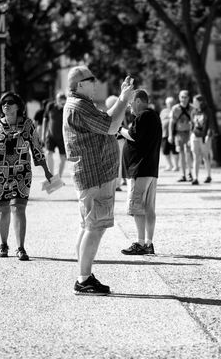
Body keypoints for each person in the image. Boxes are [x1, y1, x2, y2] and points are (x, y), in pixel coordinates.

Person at [63, 65, 135, 295]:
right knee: (95, 227)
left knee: (89, 226)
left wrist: (121, 101)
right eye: (91, 79)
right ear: (80, 84)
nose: (96, 82)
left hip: (93, 175)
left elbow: (106, 122)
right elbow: (111, 125)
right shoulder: (78, 106)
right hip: (95, 175)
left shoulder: (80, 105)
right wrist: (124, 99)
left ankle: (84, 275)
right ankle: (83, 280)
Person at [0, 92, 52, 261]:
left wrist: (46, 170)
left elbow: (36, 147)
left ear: (18, 106)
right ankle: (3, 244)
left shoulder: (27, 125)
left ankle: (21, 247)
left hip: (22, 172)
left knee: (19, 208)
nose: (5, 105)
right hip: (0, 172)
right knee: (3, 209)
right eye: (3, 103)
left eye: (10, 102)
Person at [119, 89, 162, 255]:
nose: (129, 106)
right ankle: (149, 243)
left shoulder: (143, 116)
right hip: (150, 169)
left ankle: (140, 243)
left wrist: (120, 130)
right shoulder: (154, 116)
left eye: (130, 103)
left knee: (137, 207)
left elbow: (133, 135)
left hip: (140, 169)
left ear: (138, 101)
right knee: (149, 208)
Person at [169, 90, 194, 182]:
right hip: (179, 133)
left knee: (189, 154)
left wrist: (192, 135)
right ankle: (183, 174)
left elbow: (194, 123)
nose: (184, 99)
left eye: (185, 97)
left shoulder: (192, 108)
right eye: (182, 97)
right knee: (181, 154)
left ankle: (190, 173)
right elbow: (171, 123)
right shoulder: (175, 108)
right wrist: (170, 135)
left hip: (189, 133)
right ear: (179, 97)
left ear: (188, 98)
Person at [42, 92, 68, 178]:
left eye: (64, 102)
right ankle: (51, 175)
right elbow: (45, 120)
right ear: (57, 100)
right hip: (51, 136)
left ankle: (59, 176)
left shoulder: (67, 109)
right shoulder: (50, 106)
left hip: (62, 137)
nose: (63, 104)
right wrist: (43, 134)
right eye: (61, 102)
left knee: (63, 158)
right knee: (48, 154)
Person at [189, 94, 213, 185]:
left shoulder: (207, 111)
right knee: (196, 157)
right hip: (195, 136)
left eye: (195, 101)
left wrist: (208, 135)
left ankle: (208, 175)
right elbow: (191, 125)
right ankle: (195, 178)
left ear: (200, 102)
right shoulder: (193, 112)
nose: (193, 103)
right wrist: (190, 136)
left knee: (205, 156)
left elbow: (210, 124)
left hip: (204, 137)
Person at [159, 96, 179, 171]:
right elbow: (160, 121)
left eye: (172, 103)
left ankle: (176, 166)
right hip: (164, 134)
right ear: (166, 104)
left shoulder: (176, 110)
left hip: (174, 133)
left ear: (174, 103)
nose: (170, 104)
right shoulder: (163, 111)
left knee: (175, 150)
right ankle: (170, 165)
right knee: (165, 151)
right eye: (169, 103)